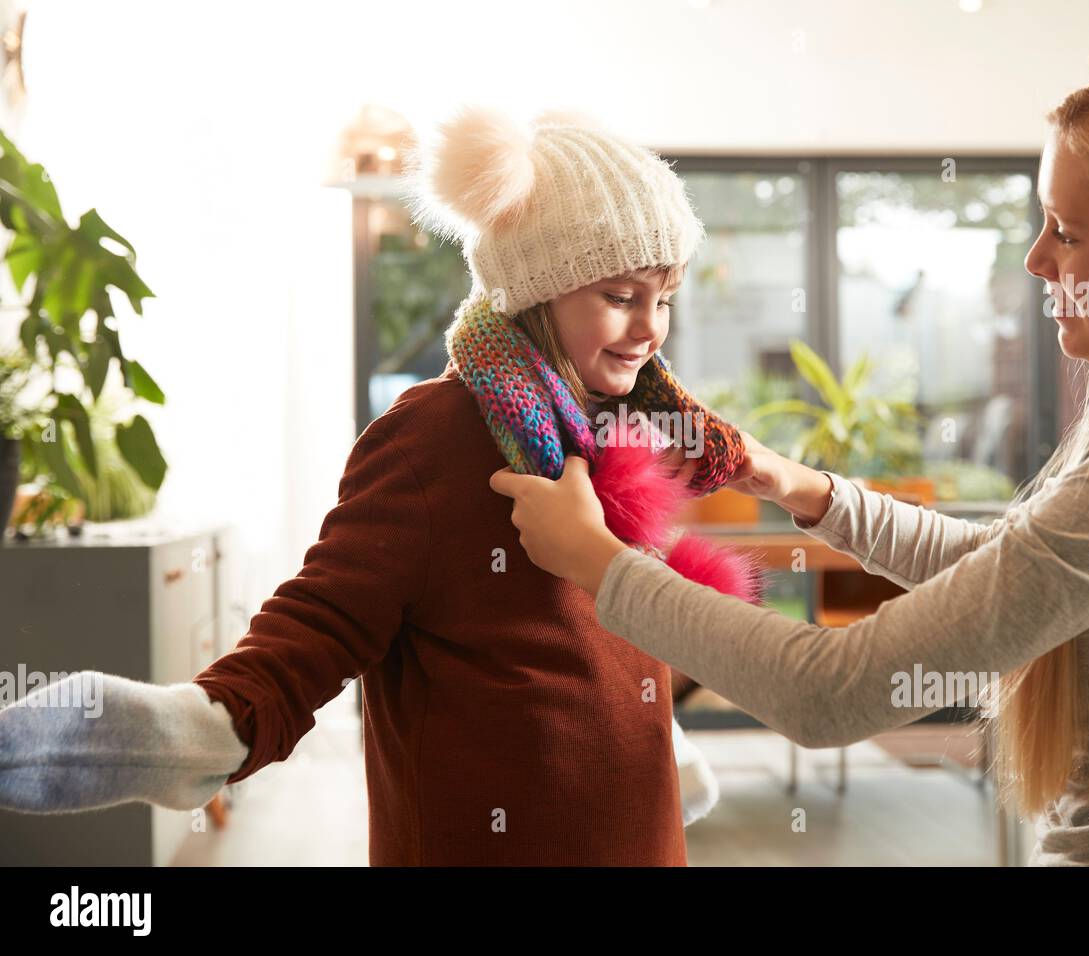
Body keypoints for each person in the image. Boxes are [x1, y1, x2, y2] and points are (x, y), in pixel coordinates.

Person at [491, 62, 1089, 866]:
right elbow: (1002, 570)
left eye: (1067, 230)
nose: (1036, 261)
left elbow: (828, 691)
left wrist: (598, 564)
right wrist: (799, 487)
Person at [0, 106, 754, 865]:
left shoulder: (614, 432)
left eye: (665, 298)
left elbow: (597, 632)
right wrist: (207, 726)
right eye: (622, 297)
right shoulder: (433, 435)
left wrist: (658, 737)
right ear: (536, 288)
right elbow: (323, 620)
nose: (651, 327)